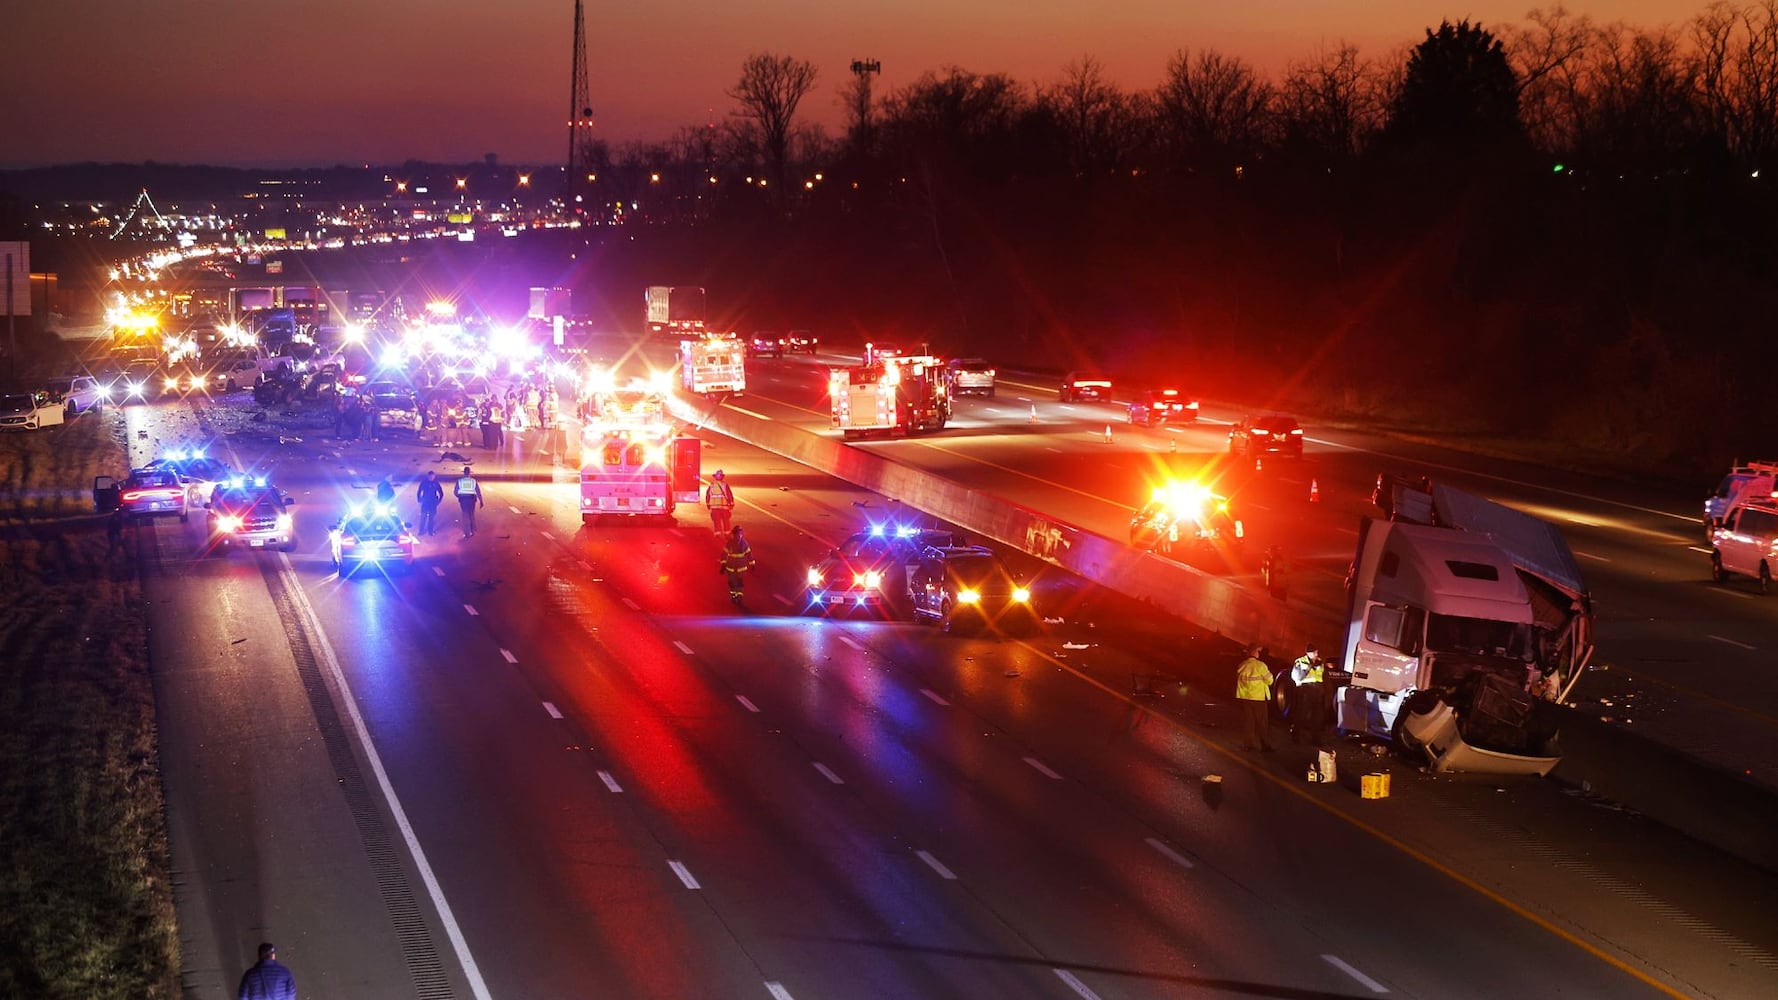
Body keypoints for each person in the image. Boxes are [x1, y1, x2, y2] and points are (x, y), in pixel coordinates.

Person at [1236, 644, 1276, 752]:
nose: (1259, 653)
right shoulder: (1260, 666)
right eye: (1257, 651)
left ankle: (1248, 744)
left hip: (1246, 698)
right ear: (1254, 653)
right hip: (1258, 698)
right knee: (1262, 723)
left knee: (1249, 722)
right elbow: (1270, 681)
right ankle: (1265, 745)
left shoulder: (1242, 665)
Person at [1289, 643, 1330, 747]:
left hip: (1318, 691)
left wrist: (1326, 691)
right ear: (1308, 653)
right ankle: (1295, 735)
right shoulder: (1300, 661)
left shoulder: (1320, 662)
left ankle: (1315, 739)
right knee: (1301, 715)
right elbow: (1296, 677)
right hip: (1305, 690)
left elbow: (1324, 677)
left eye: (1317, 652)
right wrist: (1309, 667)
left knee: (1318, 717)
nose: (1317, 654)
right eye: (1314, 652)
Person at [718, 525, 756, 605]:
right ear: (734, 535)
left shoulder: (744, 543)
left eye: (740, 534)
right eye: (737, 534)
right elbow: (724, 554)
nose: (739, 536)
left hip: (740, 568)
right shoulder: (730, 543)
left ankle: (739, 596)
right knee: (731, 582)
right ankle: (734, 595)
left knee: (739, 582)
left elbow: (749, 554)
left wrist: (752, 564)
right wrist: (723, 565)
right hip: (731, 568)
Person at [455, 465, 483, 537]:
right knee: (471, 515)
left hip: (463, 500)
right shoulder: (473, 481)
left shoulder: (460, 481)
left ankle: (466, 533)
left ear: (464, 473)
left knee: (465, 516)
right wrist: (481, 501)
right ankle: (472, 531)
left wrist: (459, 496)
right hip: (472, 500)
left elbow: (455, 491)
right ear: (469, 473)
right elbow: (478, 491)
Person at [705, 469, 735, 534]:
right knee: (726, 520)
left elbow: (708, 495)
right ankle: (727, 533)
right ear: (722, 477)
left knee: (716, 521)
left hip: (714, 508)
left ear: (715, 477)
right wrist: (731, 503)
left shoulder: (712, 485)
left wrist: (708, 504)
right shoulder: (725, 485)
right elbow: (729, 494)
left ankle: (718, 533)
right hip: (724, 507)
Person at [415, 470, 444, 536]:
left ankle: (430, 531)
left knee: (432, 518)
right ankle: (421, 531)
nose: (431, 478)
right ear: (428, 476)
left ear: (434, 476)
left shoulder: (436, 483)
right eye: (430, 476)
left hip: (433, 503)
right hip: (425, 502)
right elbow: (419, 491)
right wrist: (419, 499)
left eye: (432, 476)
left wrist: (438, 501)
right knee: (423, 517)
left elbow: (441, 493)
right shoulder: (424, 483)